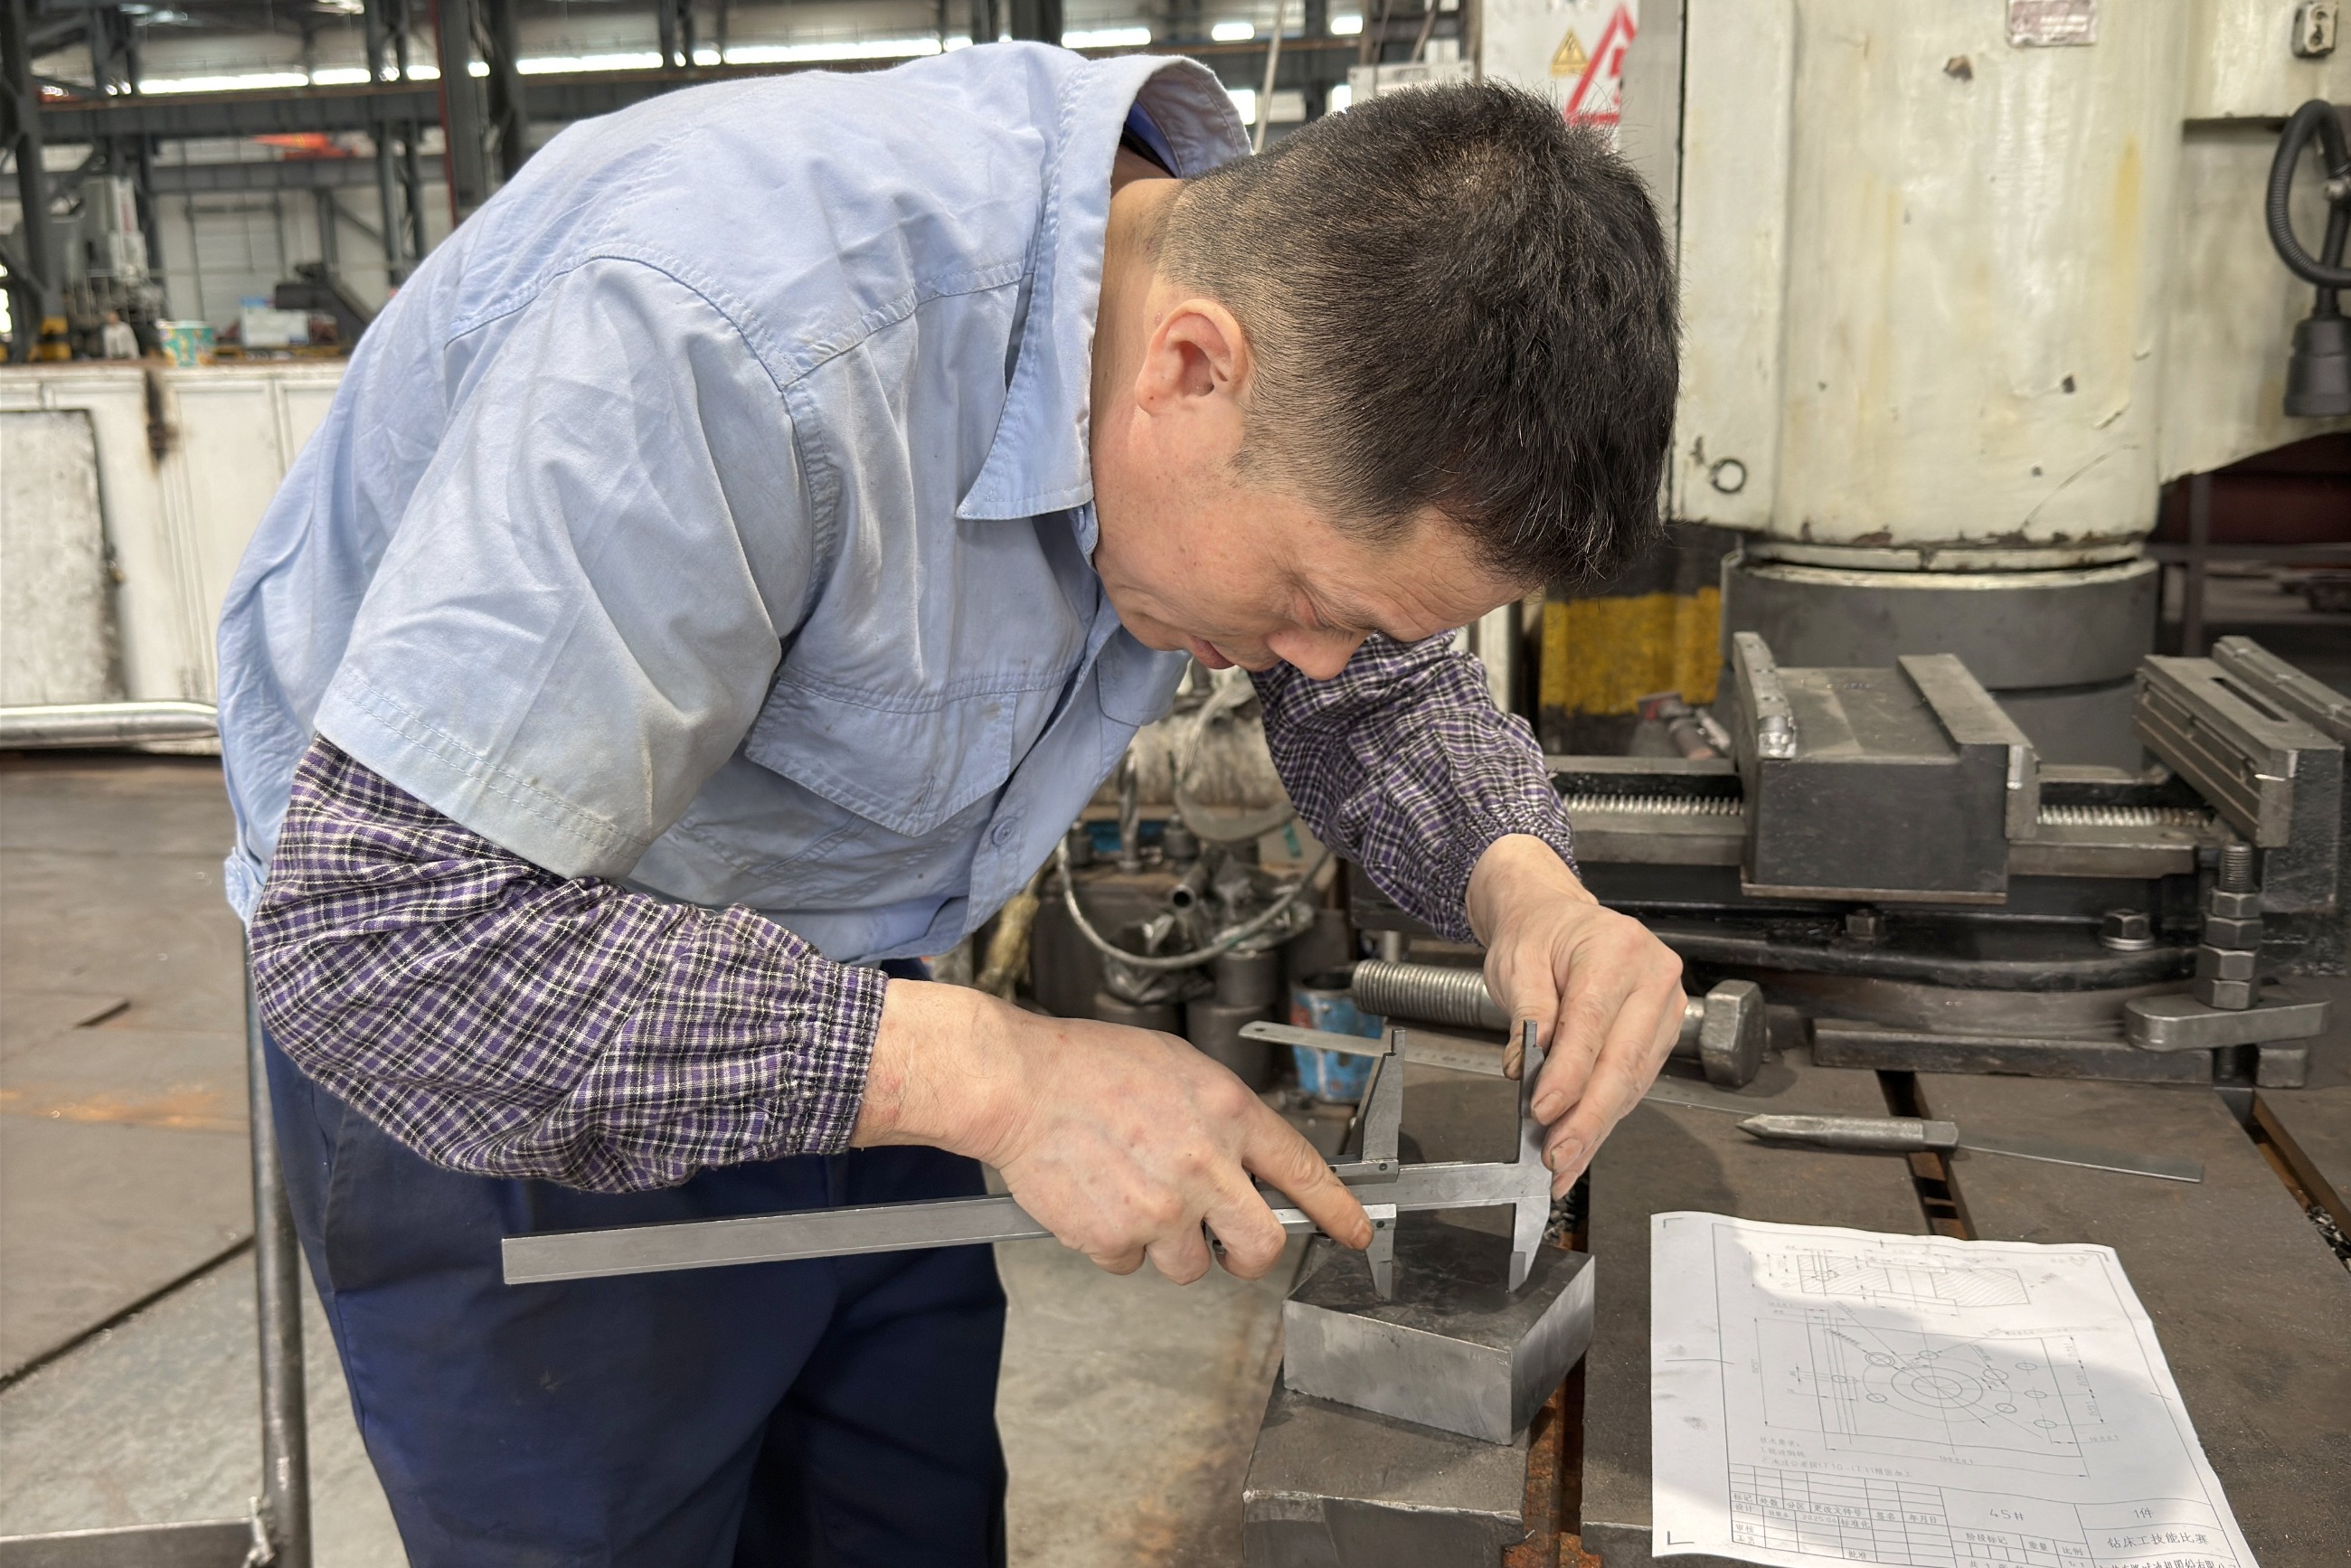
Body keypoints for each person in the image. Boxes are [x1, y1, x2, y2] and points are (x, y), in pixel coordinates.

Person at [214, 43, 1685, 1567]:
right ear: (1191, 366)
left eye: (1365, 621)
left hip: (850, 995)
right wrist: (1008, 1079)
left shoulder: (1255, 304)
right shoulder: (723, 333)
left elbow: (1362, 672)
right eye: (1308, 598)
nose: (1315, 662)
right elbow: (381, 944)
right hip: (509, 1029)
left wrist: (1523, 880)